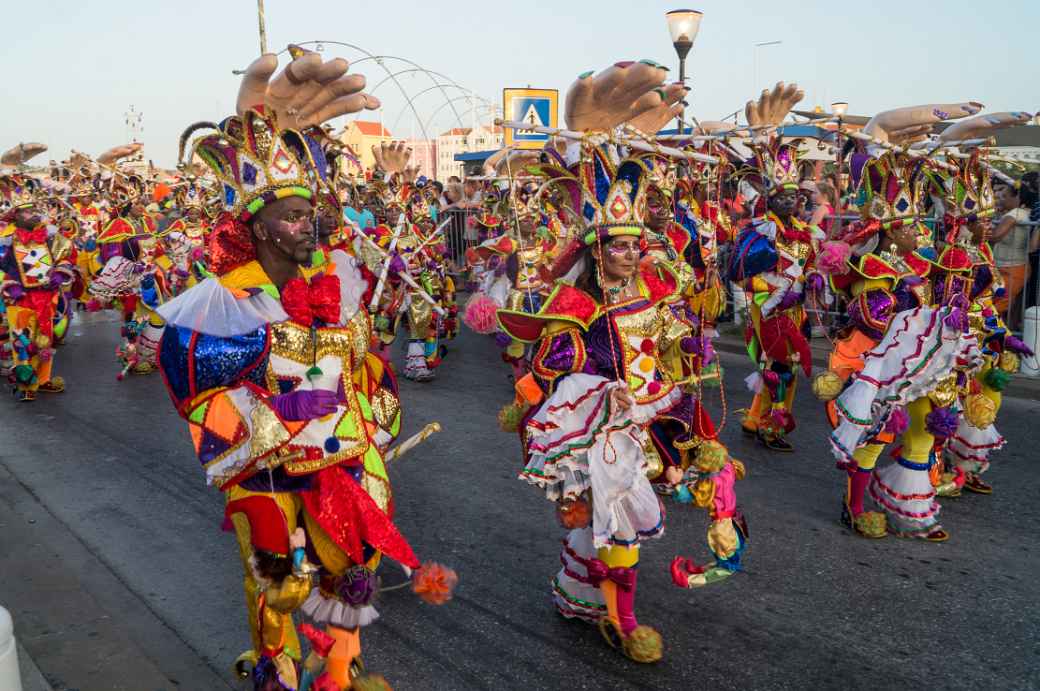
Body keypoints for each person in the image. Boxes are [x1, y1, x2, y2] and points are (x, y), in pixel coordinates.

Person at [156, 49, 454, 690]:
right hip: (266, 465)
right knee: (278, 578)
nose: (306, 227)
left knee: (352, 570)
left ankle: (339, 670)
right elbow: (195, 389)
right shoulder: (227, 299)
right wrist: (275, 409)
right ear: (258, 227)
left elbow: (365, 366)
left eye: (309, 214)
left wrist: (372, 419)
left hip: (341, 459)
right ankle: (280, 666)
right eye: (291, 217)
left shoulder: (338, 284)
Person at [990, 179, 1033, 328]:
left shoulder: (1015, 214)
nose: (1001, 199)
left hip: (1012, 268)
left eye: (1005, 196)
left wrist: (977, 228)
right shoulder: (1015, 213)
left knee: (997, 306)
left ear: (1018, 197)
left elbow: (995, 236)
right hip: (1008, 267)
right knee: (1005, 309)